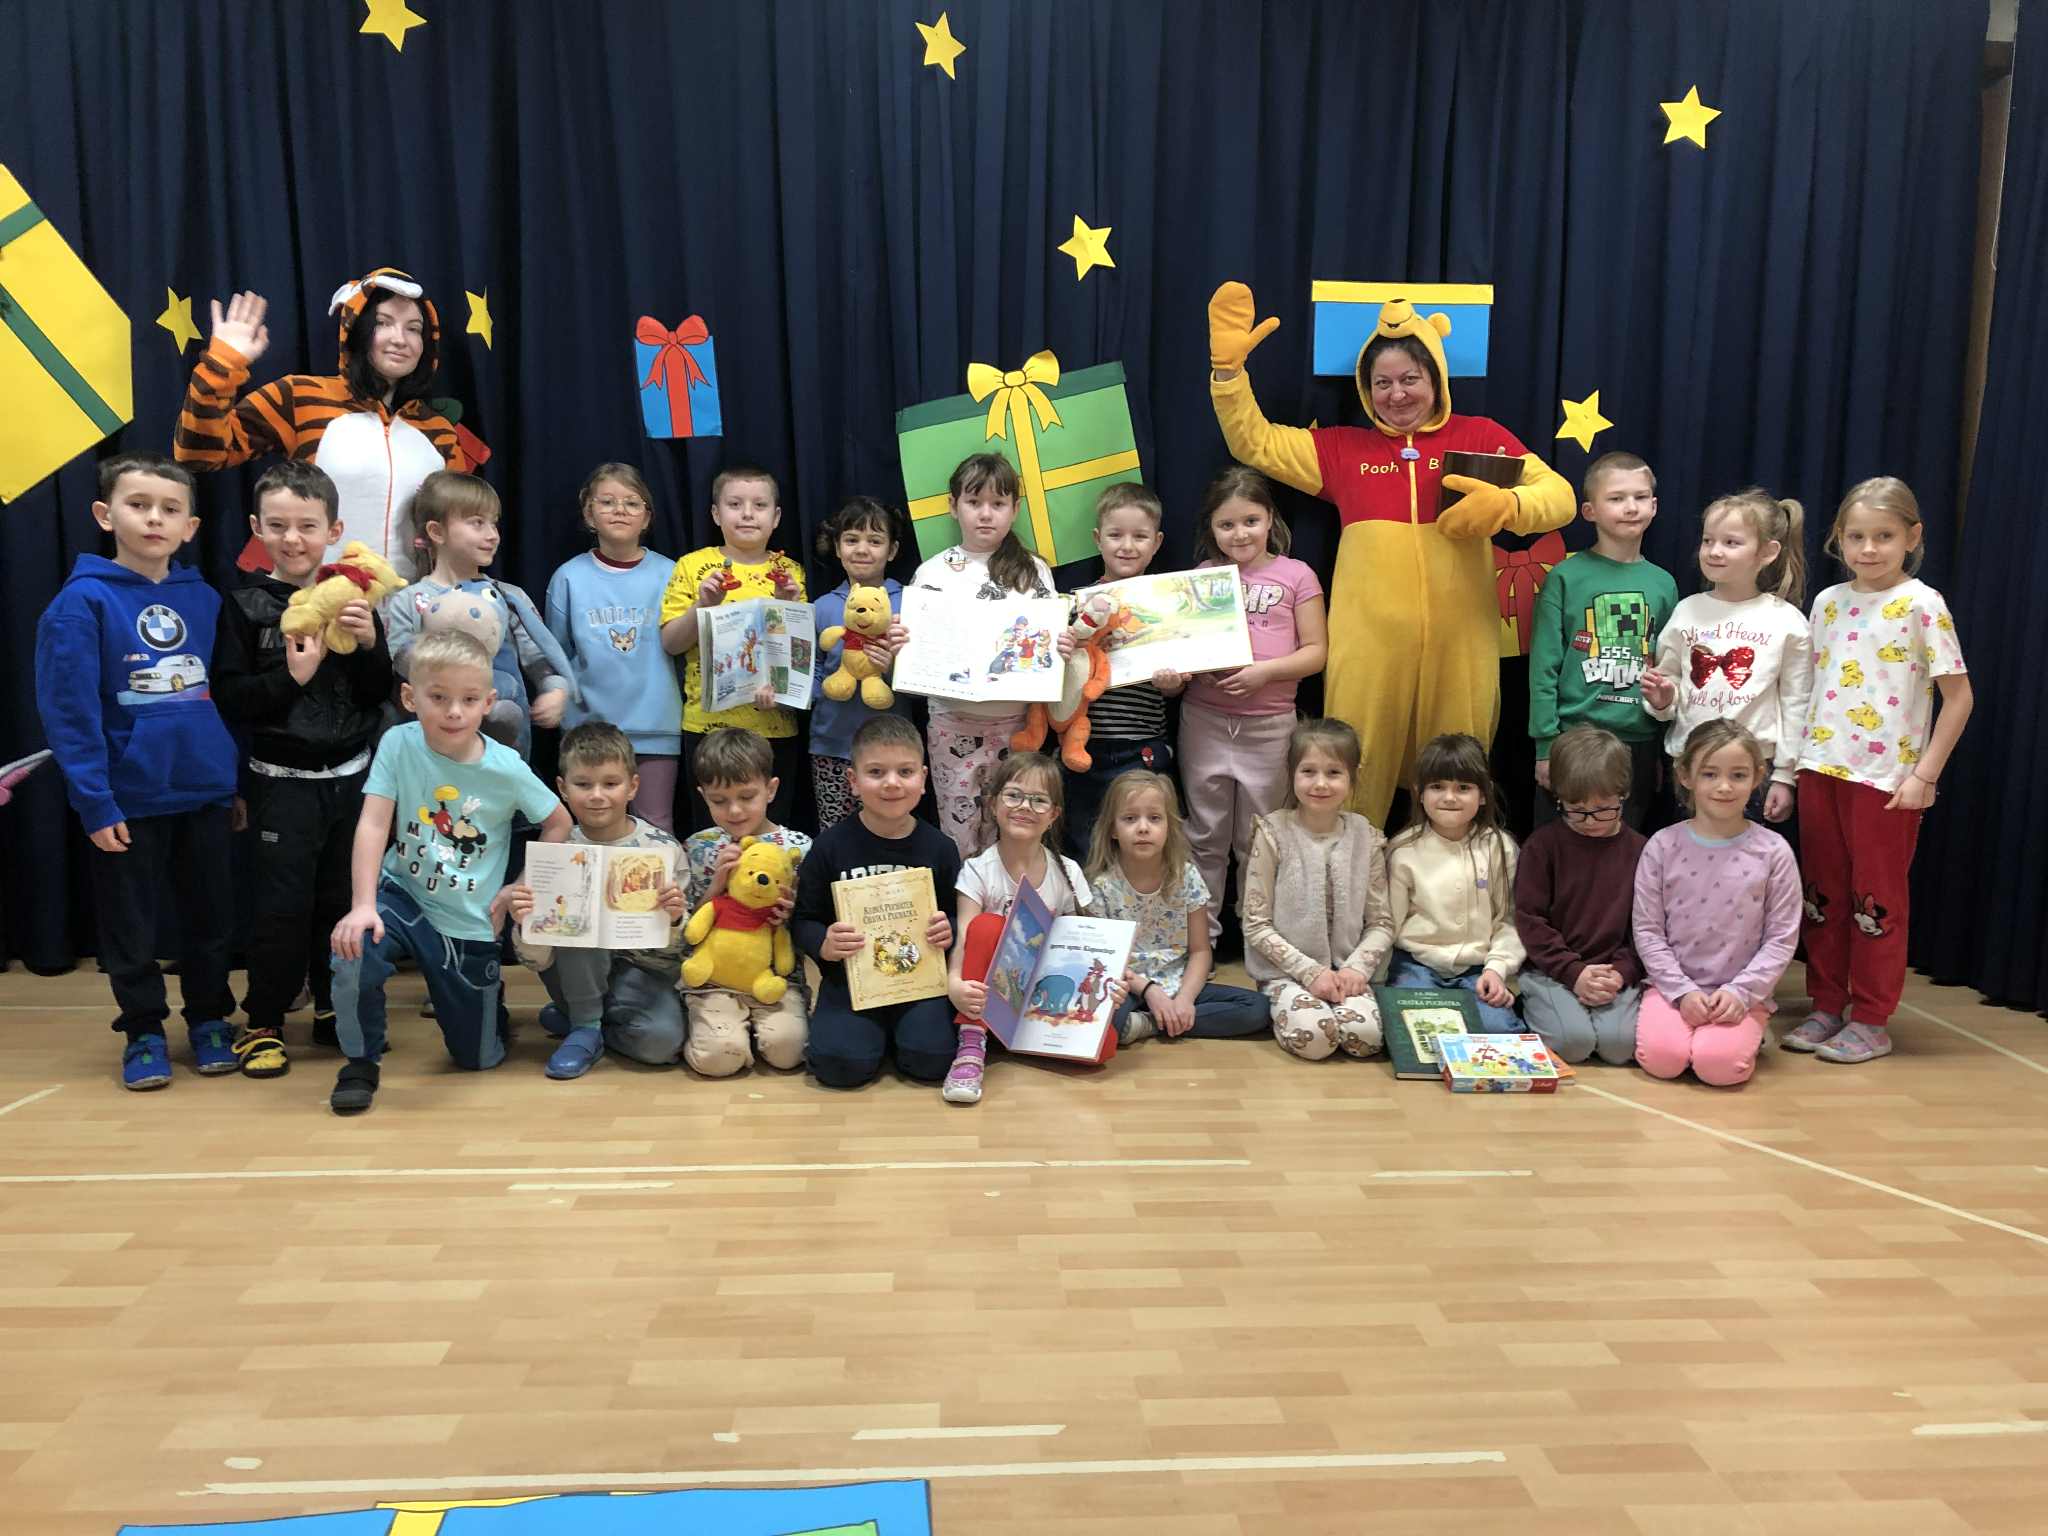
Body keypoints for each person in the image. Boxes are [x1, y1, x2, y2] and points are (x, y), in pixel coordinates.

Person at [1205, 283, 1575, 822]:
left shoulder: (1480, 436)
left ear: (1435, 379)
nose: (1396, 394)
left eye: (1410, 379)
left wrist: (1508, 505)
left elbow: (1560, 498)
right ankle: (1344, 871)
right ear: (1366, 387)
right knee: (1354, 770)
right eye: (1382, 383)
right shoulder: (1341, 449)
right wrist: (1228, 376)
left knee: (1456, 772)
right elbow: (1254, 442)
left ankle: (1449, 873)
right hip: (1368, 648)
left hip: (1462, 644)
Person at [34, 455, 240, 1090]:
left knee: (210, 920)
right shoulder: (80, 603)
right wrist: (95, 802)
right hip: (128, 799)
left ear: (191, 527)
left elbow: (227, 698)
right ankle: (144, 1029)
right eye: (138, 504)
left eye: (170, 509)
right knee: (130, 926)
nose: (154, 518)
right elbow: (69, 714)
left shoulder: (205, 599)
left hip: (205, 791)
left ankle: (209, 1018)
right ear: (105, 515)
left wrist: (232, 782)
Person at [327, 629, 574, 1113]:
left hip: (468, 920)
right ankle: (360, 1062)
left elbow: (559, 822)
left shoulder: (506, 768)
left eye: (468, 699)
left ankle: (486, 1005)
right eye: (438, 698)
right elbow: (373, 824)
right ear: (410, 698)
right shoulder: (398, 743)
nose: (454, 712)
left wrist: (518, 887)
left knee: (477, 1059)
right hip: (401, 895)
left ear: (489, 703)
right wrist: (362, 905)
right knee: (353, 949)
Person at [211, 460, 392, 1075]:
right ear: (257, 528)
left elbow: (377, 694)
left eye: (308, 526)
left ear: (334, 530)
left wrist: (369, 645)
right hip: (279, 783)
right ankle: (264, 1019)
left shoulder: (355, 598)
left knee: (340, 901)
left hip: (352, 783)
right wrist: (291, 677)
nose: (293, 539)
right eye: (279, 525)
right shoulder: (243, 605)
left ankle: (334, 1006)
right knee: (280, 909)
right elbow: (231, 698)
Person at [1789, 477, 1972, 1064]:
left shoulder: (1923, 604)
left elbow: (1960, 697)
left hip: (1885, 781)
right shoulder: (1827, 602)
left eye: (1884, 536)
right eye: (1857, 537)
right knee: (1822, 895)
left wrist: (1925, 776)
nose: (1869, 549)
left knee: (1876, 901)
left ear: (1912, 537)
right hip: (1821, 768)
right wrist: (1793, 766)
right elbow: (1811, 686)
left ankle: (1871, 1018)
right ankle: (1825, 1003)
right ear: (1840, 539)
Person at [173, 269, 470, 577]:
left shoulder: (438, 430)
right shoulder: (300, 397)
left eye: (414, 329)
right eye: (382, 323)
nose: (400, 339)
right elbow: (198, 454)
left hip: (414, 604)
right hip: (316, 600)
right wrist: (223, 365)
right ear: (356, 330)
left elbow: (459, 531)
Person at [1178, 467, 1327, 942]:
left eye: (1250, 521)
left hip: (1270, 726)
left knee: (1258, 838)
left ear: (1270, 520)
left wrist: (1264, 672)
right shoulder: (1202, 576)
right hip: (1205, 721)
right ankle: (1203, 939)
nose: (1239, 534)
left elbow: (1316, 652)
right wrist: (1187, 669)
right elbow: (1183, 646)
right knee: (1205, 835)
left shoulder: (1296, 575)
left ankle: (1257, 937)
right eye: (1226, 525)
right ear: (1211, 528)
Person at [512, 721, 688, 1080]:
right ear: (562, 788)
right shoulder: (554, 852)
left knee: (662, 1045)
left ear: (632, 786)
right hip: (571, 972)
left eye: (610, 784)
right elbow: (535, 960)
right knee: (582, 910)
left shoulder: (661, 850)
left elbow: (679, 954)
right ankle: (586, 1026)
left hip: (642, 975)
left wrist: (673, 919)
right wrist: (526, 923)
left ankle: (581, 1023)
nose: (597, 795)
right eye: (583, 784)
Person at [791, 716, 960, 1089]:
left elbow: (957, 914)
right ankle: (871, 1036)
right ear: (853, 781)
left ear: (924, 779)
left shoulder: (941, 848)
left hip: (920, 981)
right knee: (839, 1066)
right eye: (876, 772)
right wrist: (824, 943)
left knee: (931, 1060)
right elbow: (803, 919)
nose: (892, 783)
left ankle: (896, 1035)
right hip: (852, 980)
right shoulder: (829, 847)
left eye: (905, 772)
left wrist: (949, 928)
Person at [1632, 721, 1801, 1088]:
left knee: (1718, 1068)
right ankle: (1694, 1033)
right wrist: (1681, 991)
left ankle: (1746, 1031)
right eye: (1710, 774)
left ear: (1757, 777)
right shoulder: (1662, 846)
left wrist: (1742, 992)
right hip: (1672, 988)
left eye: (1738, 775)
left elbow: (1781, 938)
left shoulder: (1774, 852)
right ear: (1686, 776)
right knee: (1662, 1060)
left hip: (1742, 993)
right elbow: (1647, 930)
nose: (1724, 786)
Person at [905, 453, 1057, 857]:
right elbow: (917, 651)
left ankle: (1010, 898)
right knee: (960, 836)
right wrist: (903, 644)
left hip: (1018, 726)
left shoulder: (1034, 571)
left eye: (998, 503)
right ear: (953, 506)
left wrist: (1061, 646)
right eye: (974, 502)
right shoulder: (932, 573)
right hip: (951, 723)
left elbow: (1047, 645)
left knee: (1015, 831)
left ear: (1015, 509)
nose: (985, 514)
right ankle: (967, 900)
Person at [1639, 488, 1811, 823]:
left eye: (1731, 542)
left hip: (1752, 771)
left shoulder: (1786, 621)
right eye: (1708, 541)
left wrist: (1785, 776)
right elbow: (1669, 682)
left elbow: (1796, 703)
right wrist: (1662, 699)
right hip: (1690, 766)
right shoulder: (1686, 611)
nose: (1714, 551)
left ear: (1767, 552)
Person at [1527, 452, 1678, 830]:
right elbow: (1544, 666)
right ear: (1590, 511)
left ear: (1654, 506)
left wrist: (1661, 749)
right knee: (1562, 845)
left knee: (1624, 848)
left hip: (1638, 743)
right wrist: (1545, 746)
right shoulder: (1565, 577)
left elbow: (1668, 668)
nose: (1631, 507)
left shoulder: (1664, 584)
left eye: (1640, 497)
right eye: (1616, 498)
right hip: (1573, 740)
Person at [657, 464, 807, 833]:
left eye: (759, 505)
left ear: (776, 517)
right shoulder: (693, 566)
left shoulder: (789, 571)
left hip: (773, 726)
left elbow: (800, 656)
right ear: (715, 513)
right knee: (713, 836)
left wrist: (787, 605)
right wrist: (703, 605)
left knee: (771, 840)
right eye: (735, 504)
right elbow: (671, 643)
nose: (747, 514)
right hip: (707, 726)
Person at [942, 752, 1099, 1105]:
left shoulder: (1069, 872)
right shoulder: (978, 870)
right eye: (1014, 795)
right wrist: (954, 983)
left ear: (1054, 815)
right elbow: (965, 937)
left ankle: (1019, 1037)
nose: (1025, 806)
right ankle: (972, 1041)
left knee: (1104, 1047)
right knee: (987, 925)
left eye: (1039, 800)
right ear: (994, 804)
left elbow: (1081, 947)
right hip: (988, 995)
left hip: (1042, 994)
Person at [384, 471, 575, 761]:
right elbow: (399, 664)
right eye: (477, 523)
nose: (492, 535)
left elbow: (540, 658)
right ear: (437, 532)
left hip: (503, 754)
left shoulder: (507, 597)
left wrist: (556, 690)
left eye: (494, 523)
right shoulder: (409, 601)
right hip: (434, 756)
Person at [1236, 720, 1392, 1059]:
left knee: (1365, 1038)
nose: (1320, 783)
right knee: (1315, 1039)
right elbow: (1256, 923)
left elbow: (1381, 922)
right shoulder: (1272, 832)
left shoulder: (1366, 836)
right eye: (1308, 771)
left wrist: (1357, 969)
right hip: (1286, 973)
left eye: (1334, 773)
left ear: (1352, 776)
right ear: (1292, 773)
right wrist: (1310, 971)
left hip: (1347, 972)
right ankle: (1287, 1008)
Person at [544, 464, 683, 831]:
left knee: (655, 825)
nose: (619, 510)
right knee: (592, 828)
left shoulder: (671, 573)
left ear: (647, 517)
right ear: (589, 514)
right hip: (588, 729)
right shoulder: (569, 577)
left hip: (656, 727)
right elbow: (554, 657)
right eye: (607, 502)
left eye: (632, 503)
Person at [1057, 483, 1187, 859]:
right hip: (1085, 746)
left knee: (1142, 845)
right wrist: (1062, 653)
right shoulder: (1076, 605)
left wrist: (1172, 684)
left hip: (1142, 745)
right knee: (1084, 843)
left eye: (1139, 536)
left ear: (1157, 542)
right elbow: (1058, 680)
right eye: (1115, 535)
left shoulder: (1169, 603)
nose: (1127, 546)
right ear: (1097, 539)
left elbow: (1176, 687)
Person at [677, 728, 812, 1077]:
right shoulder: (698, 846)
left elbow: (811, 923)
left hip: (775, 978)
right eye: (719, 800)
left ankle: (755, 1030)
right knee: (719, 1060)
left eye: (747, 796)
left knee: (789, 1052)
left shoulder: (799, 848)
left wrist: (790, 914)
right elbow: (690, 928)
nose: (734, 810)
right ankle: (720, 1031)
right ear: (702, 796)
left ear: (771, 789)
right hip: (713, 980)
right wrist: (717, 885)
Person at [1513, 726, 1648, 1066]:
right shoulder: (1542, 847)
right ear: (1558, 797)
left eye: (1603, 809)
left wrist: (1621, 972)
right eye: (1575, 808)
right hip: (1551, 970)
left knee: (1619, 1048)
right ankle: (1532, 1006)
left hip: (1614, 973)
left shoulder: (1642, 851)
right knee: (1574, 1043)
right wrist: (1573, 973)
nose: (1589, 821)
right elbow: (1530, 920)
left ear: (1624, 795)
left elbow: (1646, 929)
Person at [1384, 733, 1524, 1032]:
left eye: (1463, 788)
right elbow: (1388, 925)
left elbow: (1509, 920)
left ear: (1483, 794)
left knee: (1498, 1030)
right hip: (1416, 964)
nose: (1449, 797)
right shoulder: (1403, 850)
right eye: (1437, 787)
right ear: (1419, 792)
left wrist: (1497, 970)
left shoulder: (1500, 848)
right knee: (1421, 1029)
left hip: (1479, 968)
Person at [808, 496, 912, 830]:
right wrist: (795, 693)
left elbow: (926, 677)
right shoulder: (821, 607)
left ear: (892, 551)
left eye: (875, 541)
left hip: (894, 749)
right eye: (851, 540)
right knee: (836, 832)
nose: (862, 549)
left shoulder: (910, 603)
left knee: (890, 831)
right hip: (833, 744)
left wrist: (893, 666)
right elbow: (812, 672)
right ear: (837, 548)